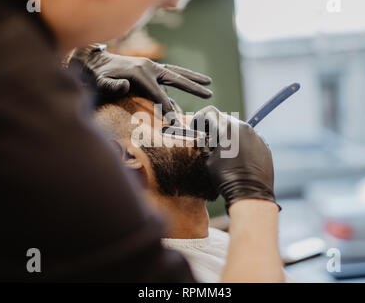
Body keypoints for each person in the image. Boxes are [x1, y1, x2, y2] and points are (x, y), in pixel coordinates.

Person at [0, 0, 283, 282]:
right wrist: (253, 197)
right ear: (122, 154)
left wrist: (81, 56)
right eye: (166, 120)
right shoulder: (17, 119)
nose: (172, 4)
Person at [94, 95, 294, 283]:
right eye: (171, 123)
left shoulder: (226, 243)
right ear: (125, 155)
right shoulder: (145, 273)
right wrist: (252, 195)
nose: (197, 123)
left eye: (182, 115)